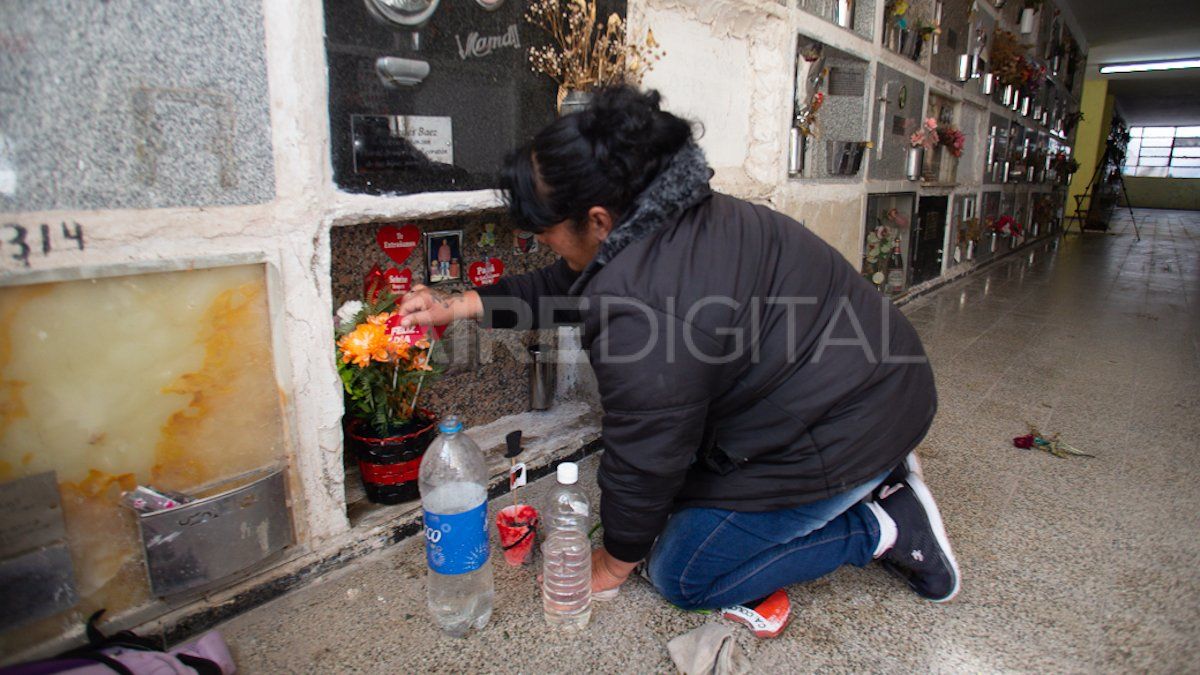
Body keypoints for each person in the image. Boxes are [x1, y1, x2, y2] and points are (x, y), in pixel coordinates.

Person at [399, 86, 959, 629]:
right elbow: (571, 283)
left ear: (597, 220)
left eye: (546, 233)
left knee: (681, 571)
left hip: (851, 425)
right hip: (870, 385)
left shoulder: (641, 306)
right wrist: (458, 305)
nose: (545, 245)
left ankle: (882, 524)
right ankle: (877, 476)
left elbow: (647, 456)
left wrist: (614, 562)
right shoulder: (670, 214)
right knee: (673, 506)